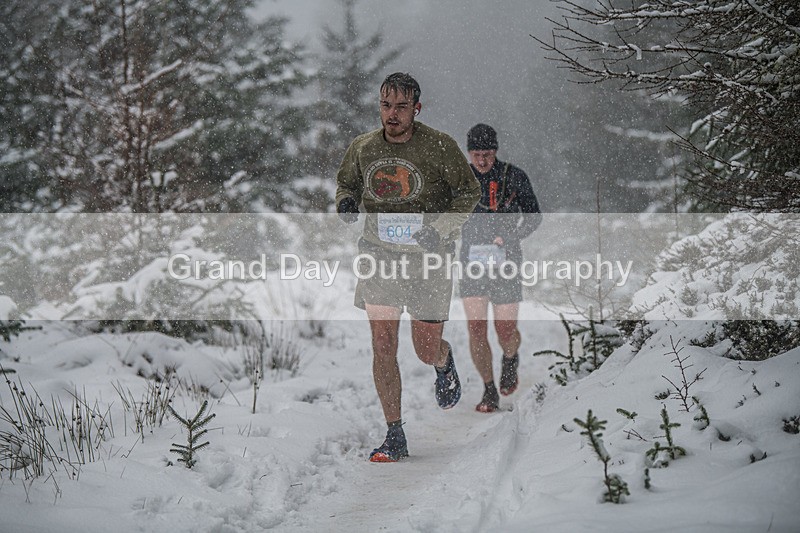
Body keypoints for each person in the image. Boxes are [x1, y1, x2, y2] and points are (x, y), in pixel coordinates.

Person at [335, 73, 481, 462]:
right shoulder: (363, 147)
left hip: (428, 261)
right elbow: (347, 183)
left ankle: (443, 360)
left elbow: (469, 191)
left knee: (423, 347)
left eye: (401, 106)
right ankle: (394, 433)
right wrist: (347, 202)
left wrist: (442, 228)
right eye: (386, 105)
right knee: (383, 346)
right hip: (379, 257)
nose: (392, 114)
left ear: (417, 108)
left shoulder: (439, 146)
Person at [459, 123, 541, 413]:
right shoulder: (460, 178)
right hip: (472, 262)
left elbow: (533, 217)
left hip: (506, 261)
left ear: (496, 151)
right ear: (469, 153)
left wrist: (511, 236)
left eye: (488, 154)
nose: (482, 161)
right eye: (477, 154)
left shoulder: (514, 176)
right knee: (477, 329)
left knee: (504, 329)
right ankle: (489, 389)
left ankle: (510, 357)